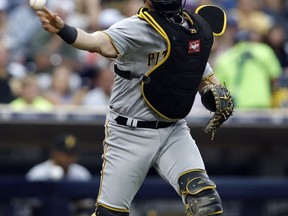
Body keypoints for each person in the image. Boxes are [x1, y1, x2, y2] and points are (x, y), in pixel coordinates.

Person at [35, 1, 233, 215]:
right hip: (129, 132)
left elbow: (205, 78)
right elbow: (96, 42)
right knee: (111, 213)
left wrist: (211, 94)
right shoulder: (137, 27)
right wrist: (64, 30)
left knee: (205, 201)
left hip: (173, 130)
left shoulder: (191, 29)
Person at [26, 133, 92, 181]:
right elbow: (28, 199)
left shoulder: (81, 174)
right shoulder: (38, 173)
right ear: (54, 153)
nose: (68, 158)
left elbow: (88, 199)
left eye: (71, 154)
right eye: (64, 153)